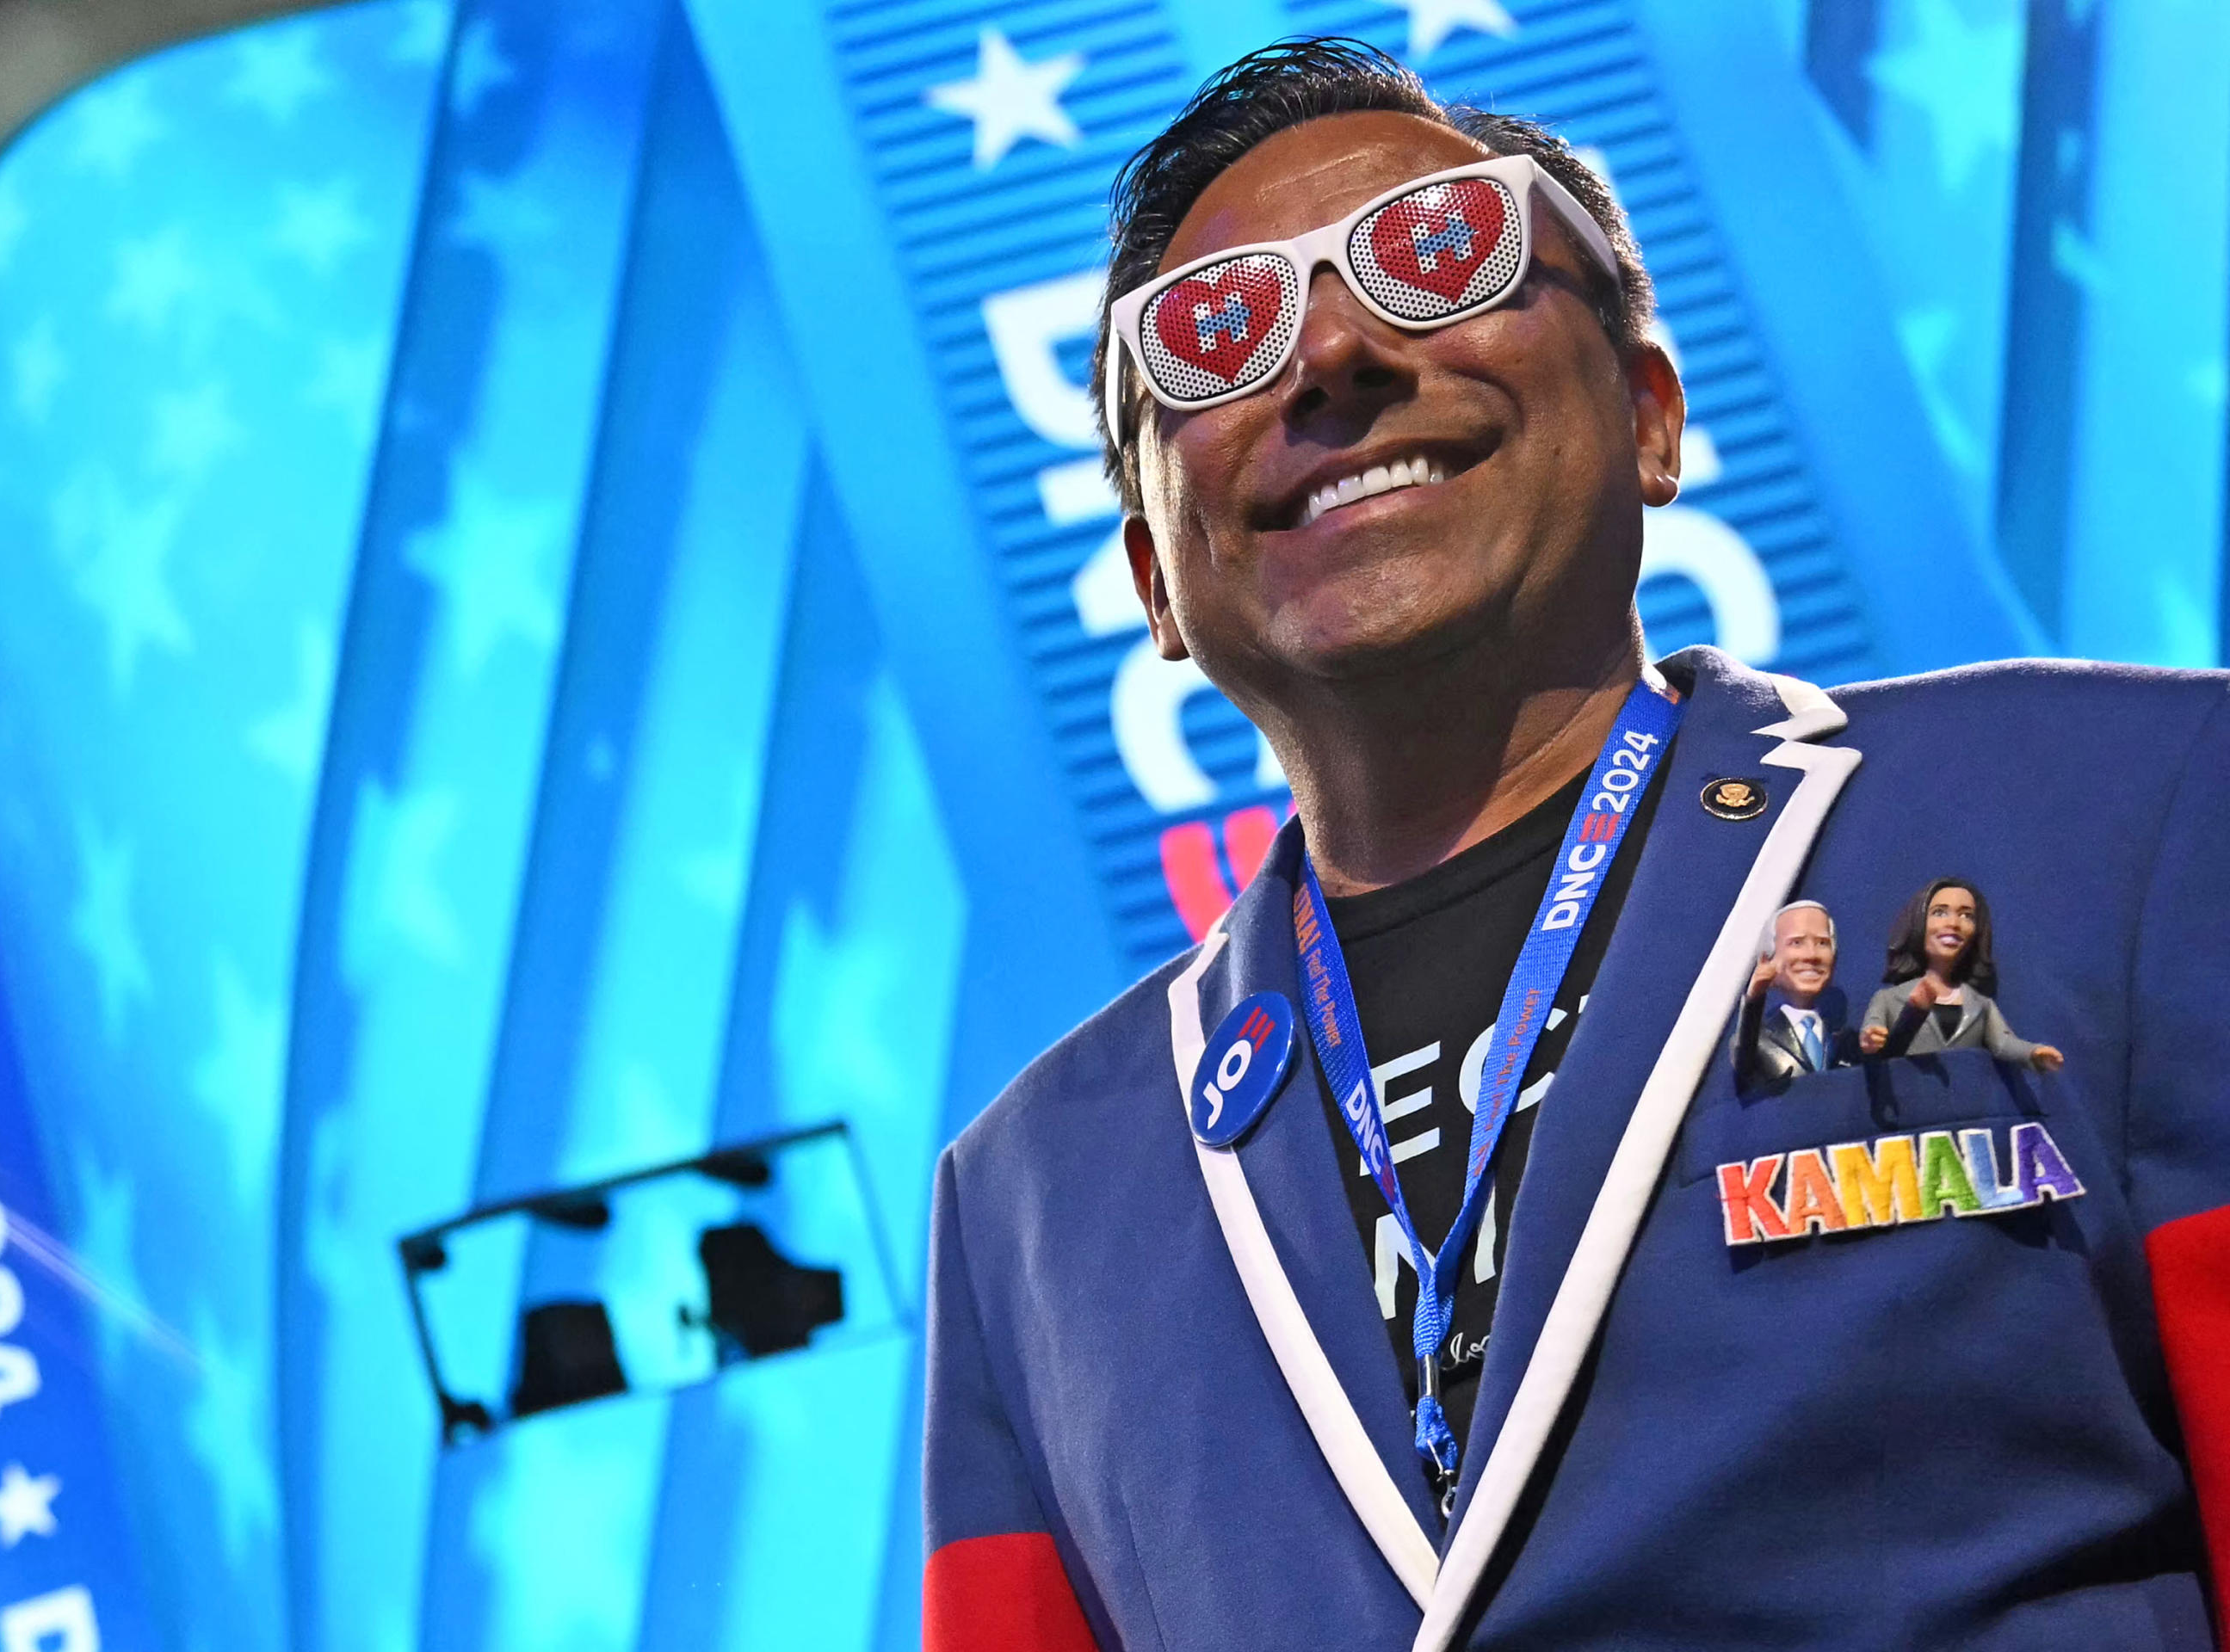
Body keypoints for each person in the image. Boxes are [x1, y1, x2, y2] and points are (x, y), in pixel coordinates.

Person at [922, 38, 2230, 1652]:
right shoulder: (1029, 1203)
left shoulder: (2130, 810)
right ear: (1150, 580)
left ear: (1650, 418)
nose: (1328, 350)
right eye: (1216, 334)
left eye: (1434, 253)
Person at [1858, 878, 2064, 1069]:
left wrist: (2033, 1053)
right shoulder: (1887, 999)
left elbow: (2003, 1043)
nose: (1954, 924)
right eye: (1940, 912)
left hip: (1965, 1105)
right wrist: (1872, 1038)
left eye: (1966, 916)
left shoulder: (1981, 1005)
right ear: (1919, 923)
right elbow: (1880, 1045)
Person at [1733, 898, 1846, 1086]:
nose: (1811, 955)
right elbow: (1744, 1063)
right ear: (1769, 958)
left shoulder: (1843, 1041)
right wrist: (1754, 999)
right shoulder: (1761, 1039)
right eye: (1796, 943)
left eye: (1822, 943)